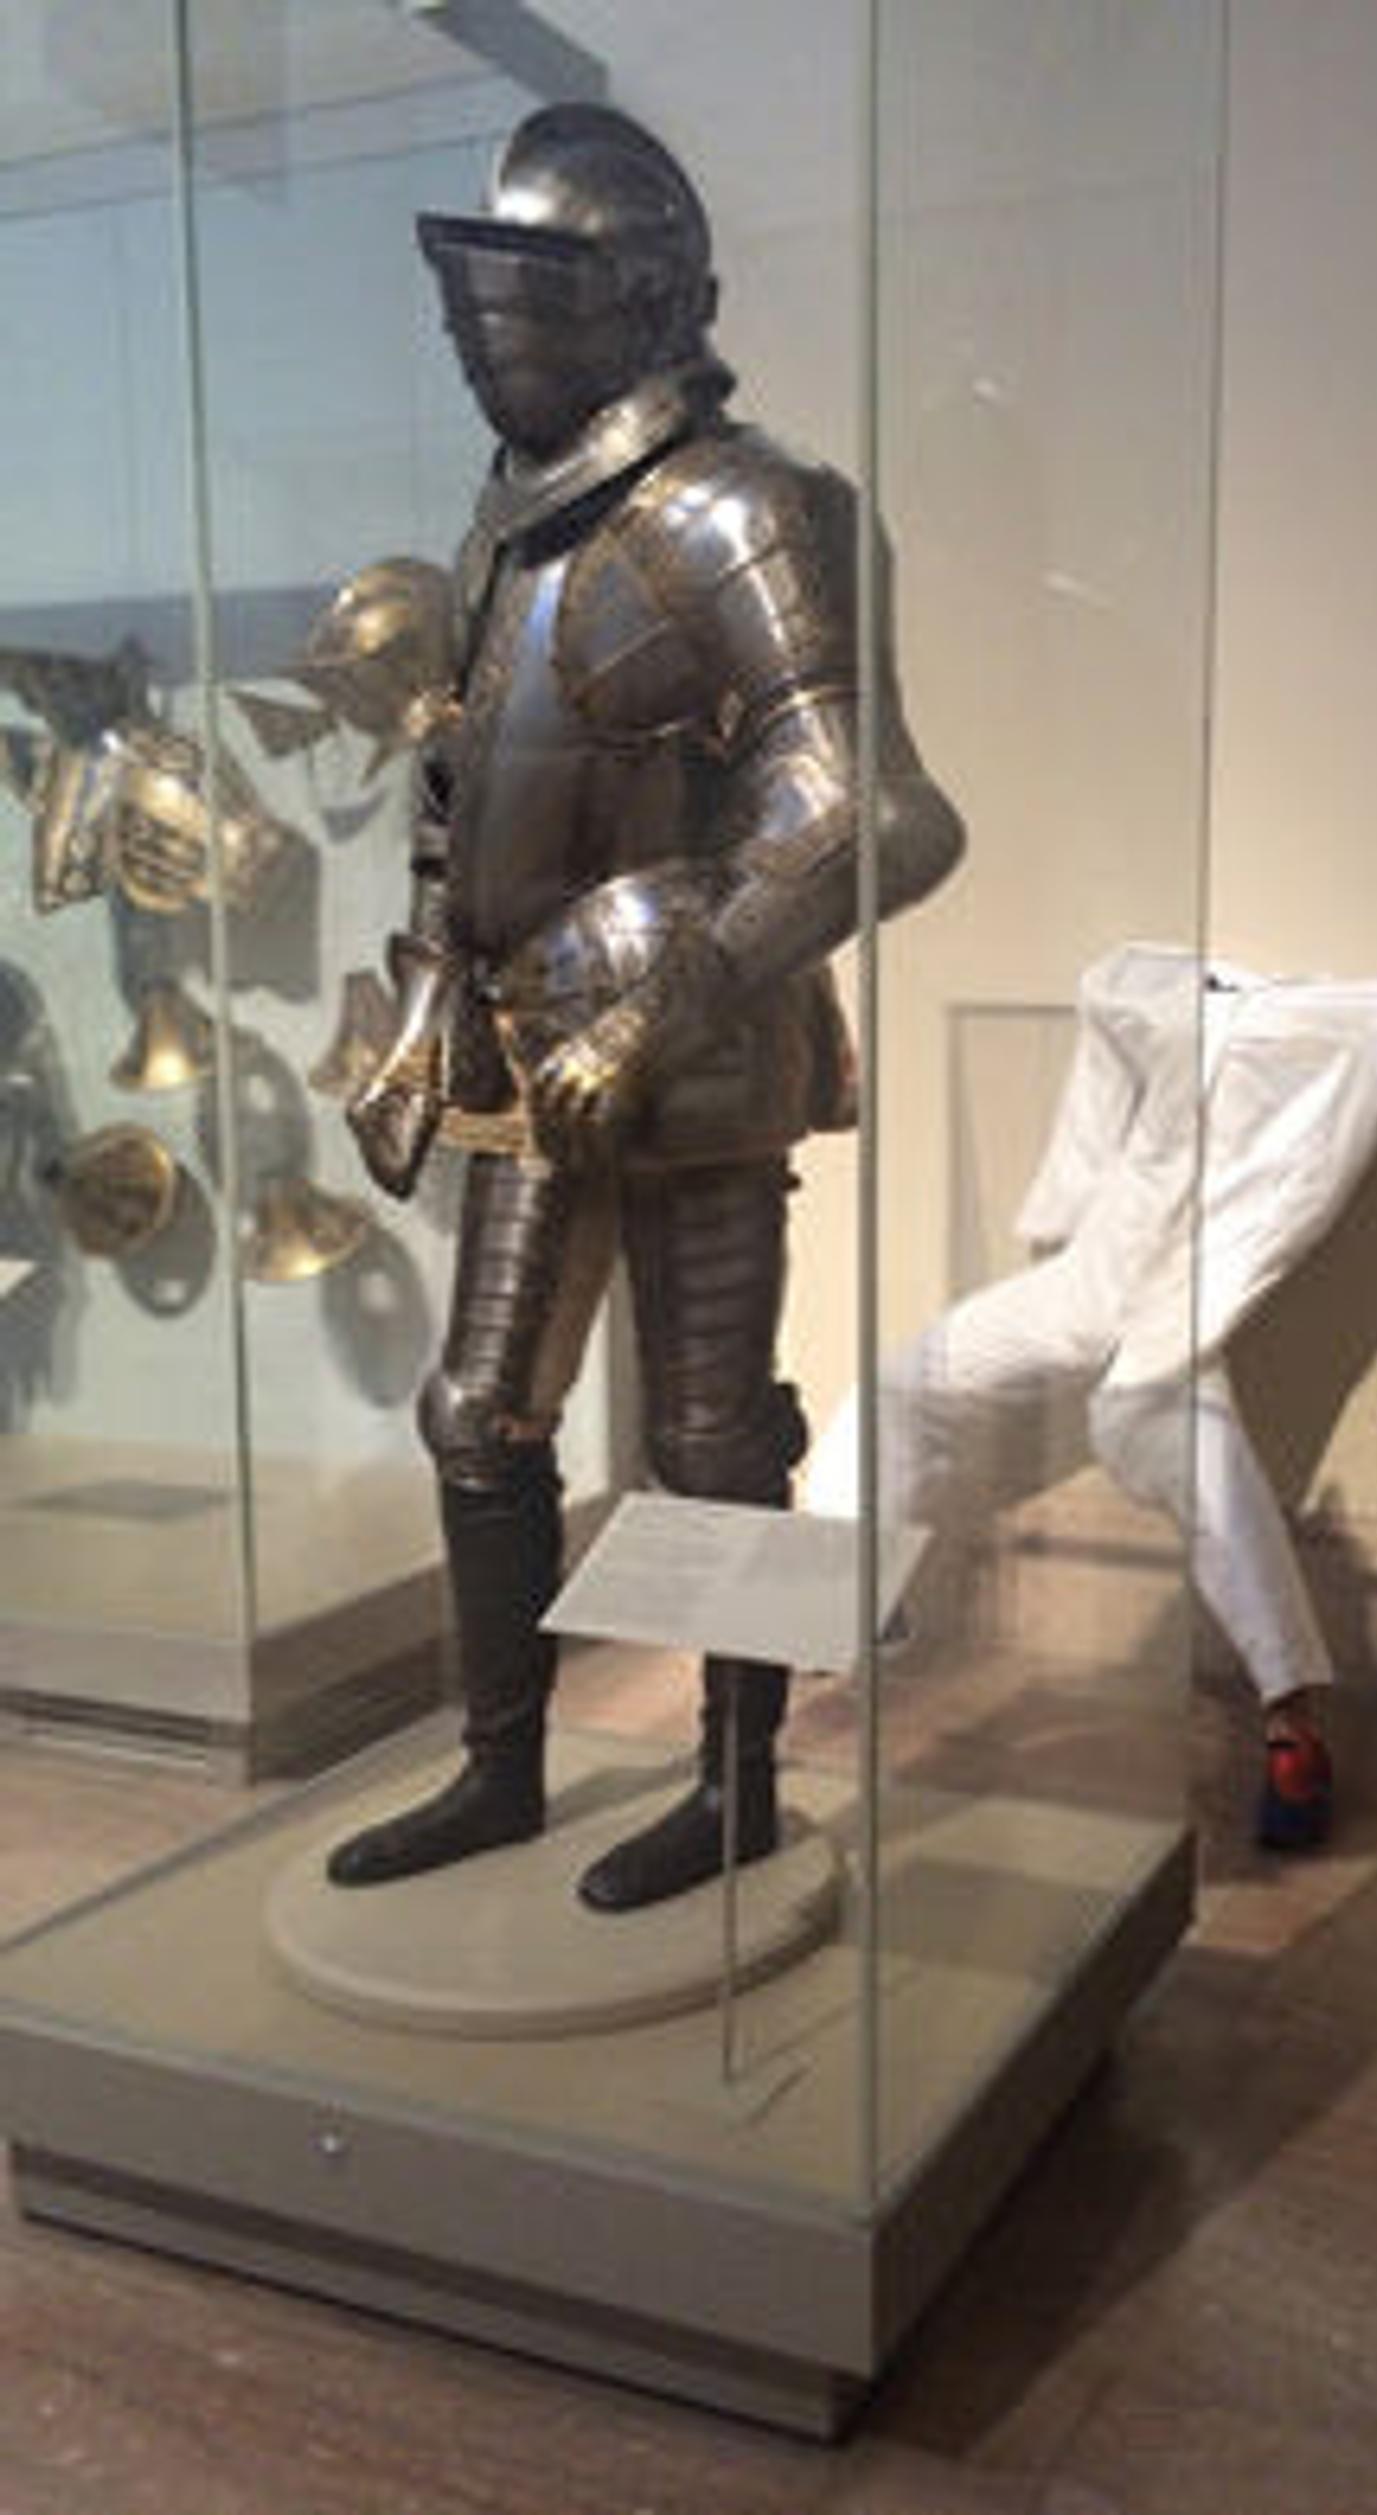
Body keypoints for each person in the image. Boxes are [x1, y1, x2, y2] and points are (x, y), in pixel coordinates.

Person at [330, 103, 964, 1911]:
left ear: (639, 303)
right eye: (473, 329)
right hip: (528, 1028)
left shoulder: (751, 510)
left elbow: (867, 810)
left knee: (706, 1441)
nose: (486, 351)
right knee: (481, 1414)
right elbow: (473, 789)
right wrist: (440, 985)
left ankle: (739, 1783)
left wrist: (658, 1003)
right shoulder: (512, 531)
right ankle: (501, 1772)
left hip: (692, 1041)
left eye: (515, 318)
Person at [804, 949, 1377, 1850]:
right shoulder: (1133, 980)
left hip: (1185, 1306)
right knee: (897, 1387)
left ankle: (1293, 1724)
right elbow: (1096, 1086)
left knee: (1209, 1476)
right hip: (1081, 1284)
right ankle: (846, 1590)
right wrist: (1058, 1212)